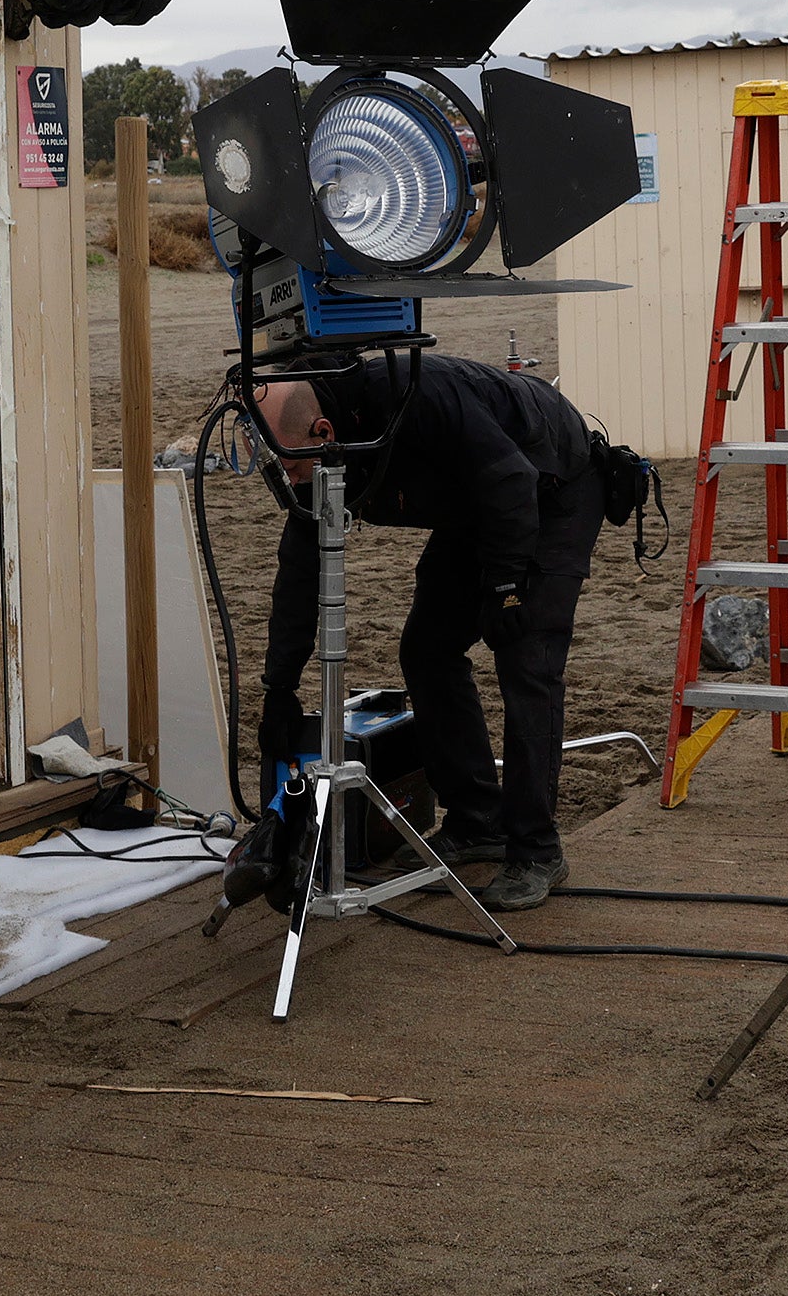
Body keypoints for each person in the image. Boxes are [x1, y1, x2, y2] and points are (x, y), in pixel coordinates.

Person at [254, 350, 606, 912]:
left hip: (548, 486)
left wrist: (505, 586)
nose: (291, 481)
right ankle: (478, 820)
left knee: (526, 659)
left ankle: (537, 849)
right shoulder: (319, 452)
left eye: (292, 467)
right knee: (427, 649)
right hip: (477, 501)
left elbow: (512, 480)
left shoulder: (421, 398)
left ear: (322, 432)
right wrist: (280, 686)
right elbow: (300, 570)